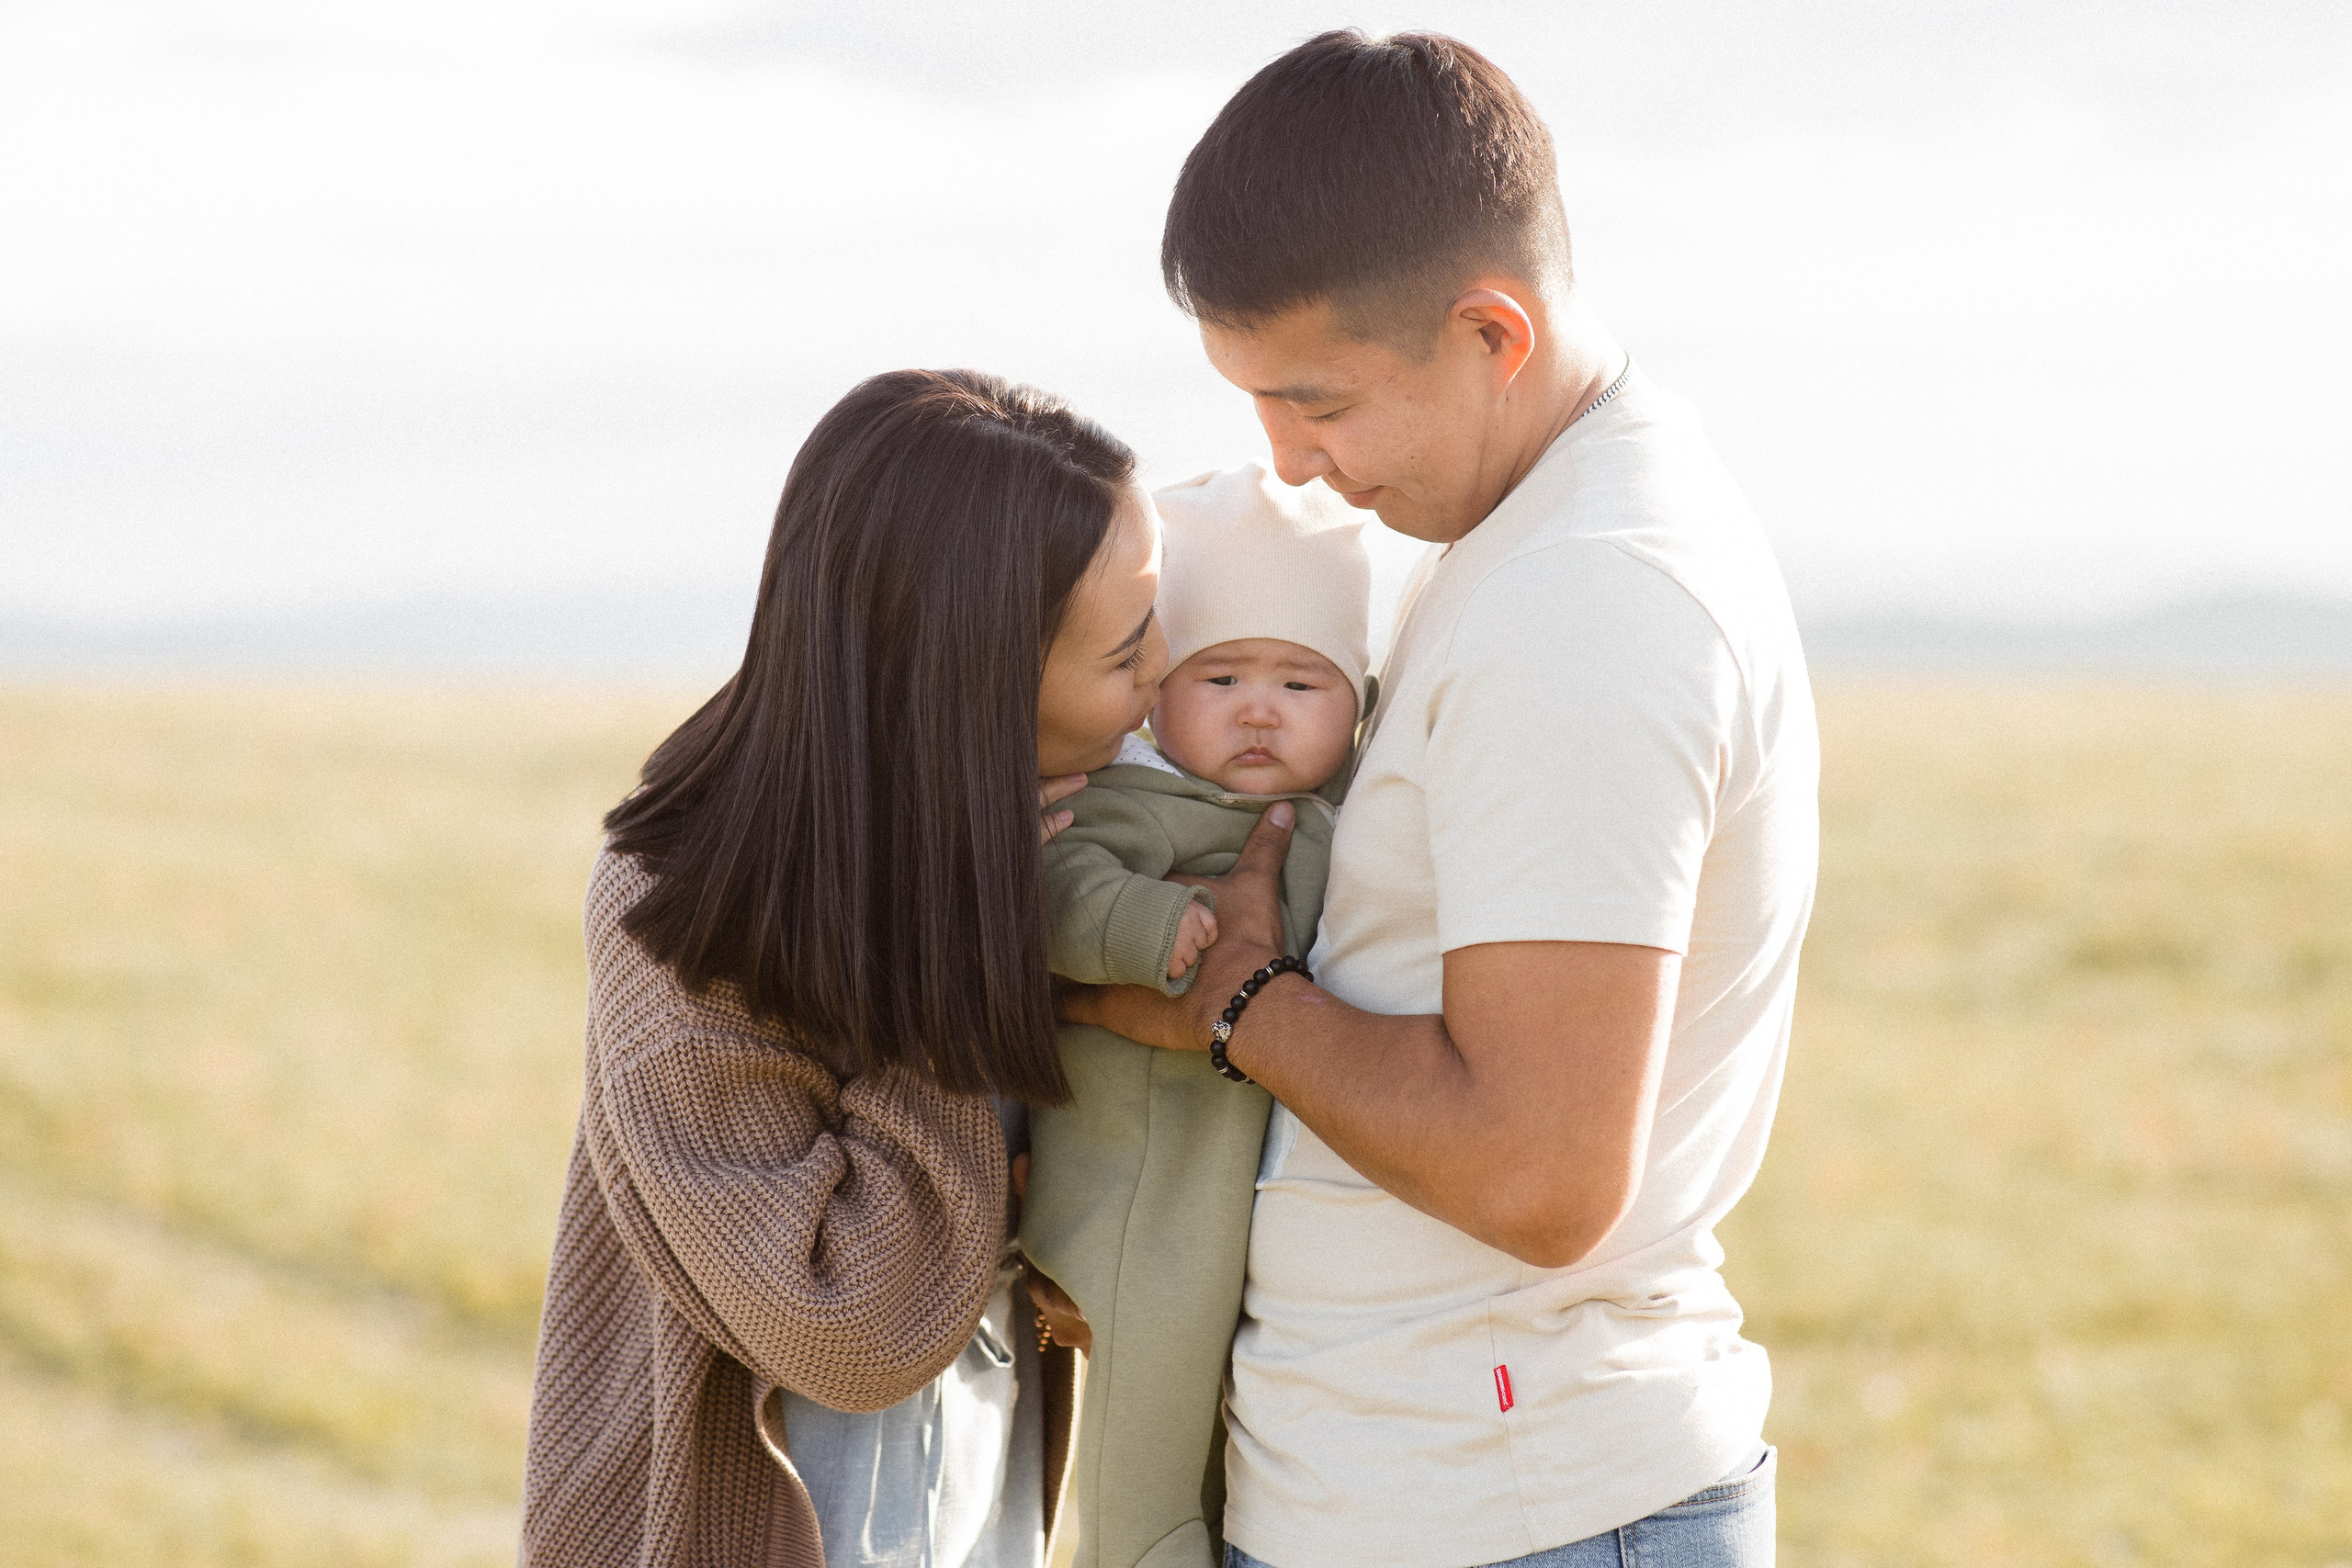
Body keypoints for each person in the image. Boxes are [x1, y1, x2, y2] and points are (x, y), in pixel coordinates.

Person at [1068, 30, 1820, 1568]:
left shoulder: (1586, 598)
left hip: (1507, 1507)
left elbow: (1540, 1172)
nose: (1287, 461)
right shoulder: (1535, 532)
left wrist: (1236, 997)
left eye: (1318, 400)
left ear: (1492, 330)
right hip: (1442, 1490)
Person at [518, 367, 1175, 1568]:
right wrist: (970, 965)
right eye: (1129, 650)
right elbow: (849, 1319)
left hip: (975, 1504)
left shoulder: (1068, 839)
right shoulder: (679, 920)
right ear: (971, 687)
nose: (1169, 671)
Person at [1020, 463, 1371, 1568]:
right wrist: (1140, 926)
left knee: (1235, 1439)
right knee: (1146, 1428)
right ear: (1160, 686)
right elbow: (1053, 891)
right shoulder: (1133, 800)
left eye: (1302, 685)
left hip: (1242, 1196)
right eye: (1220, 677)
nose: (1259, 709)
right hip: (1143, 1190)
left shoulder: (1340, 816)